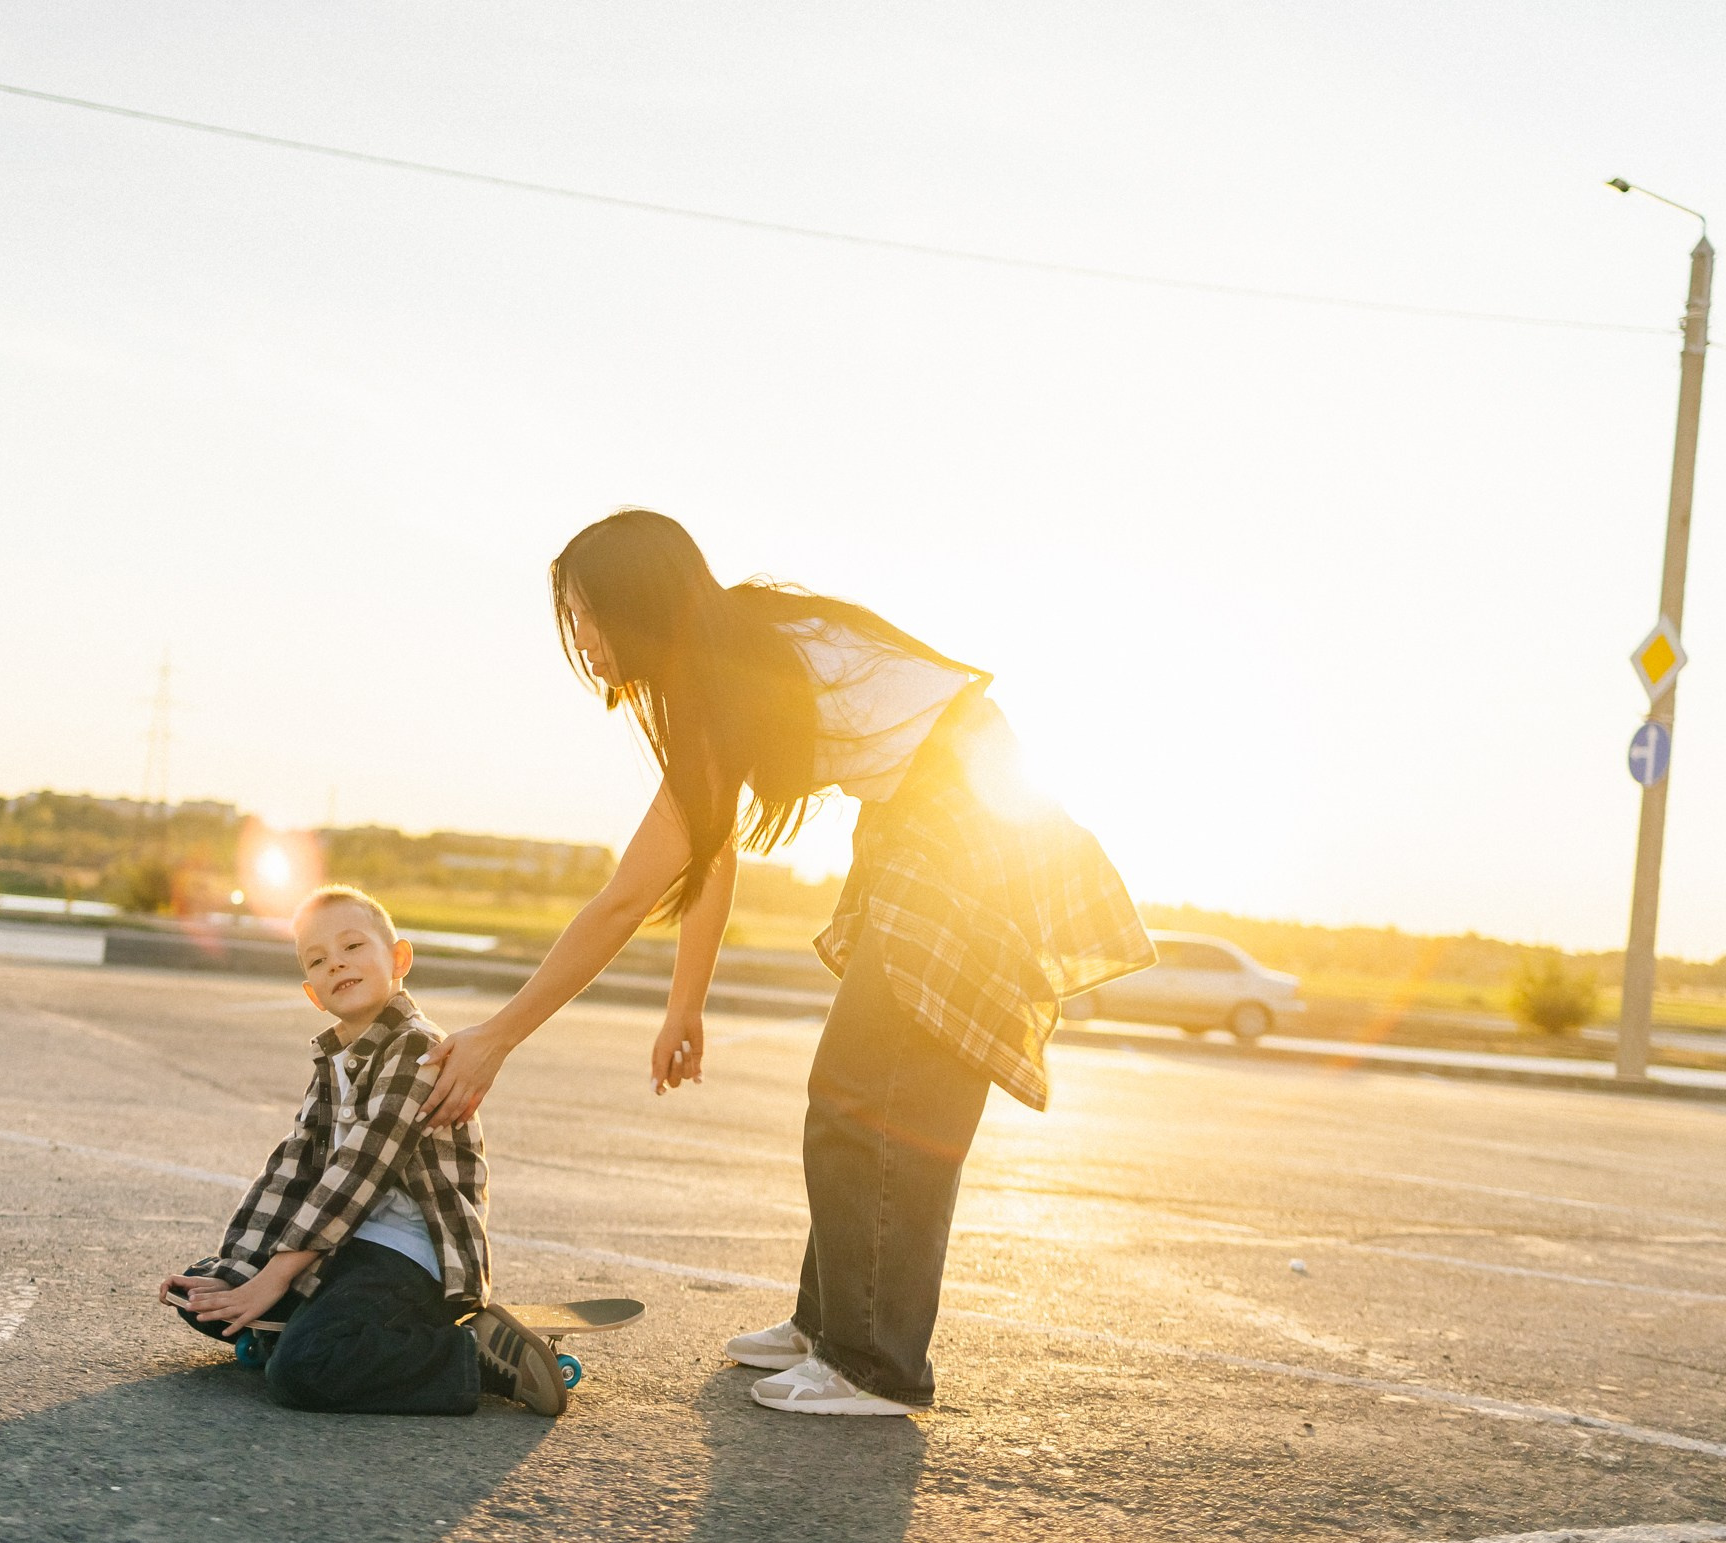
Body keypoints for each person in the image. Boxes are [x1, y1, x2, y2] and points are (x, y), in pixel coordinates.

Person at [420, 509, 1152, 1416]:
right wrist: (685, 1005)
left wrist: (497, 1037)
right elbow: (708, 858)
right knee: (860, 1088)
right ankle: (831, 1326)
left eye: (585, 615)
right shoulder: (725, 661)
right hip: (929, 816)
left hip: (967, 824)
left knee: (875, 1089)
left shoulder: (728, 675)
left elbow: (623, 899)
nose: (580, 641)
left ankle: (875, 1364)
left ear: (632, 605)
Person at [158, 886, 570, 1417]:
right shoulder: (335, 1058)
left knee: (303, 1371)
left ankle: (470, 1356)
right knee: (206, 1293)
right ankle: (321, 1330)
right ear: (313, 993)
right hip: (344, 1242)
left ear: (398, 959)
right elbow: (293, 1165)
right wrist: (244, 1267)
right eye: (319, 959)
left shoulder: (419, 1050)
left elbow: (359, 1173)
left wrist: (275, 1278)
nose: (337, 964)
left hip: (410, 1253)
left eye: (352, 947)